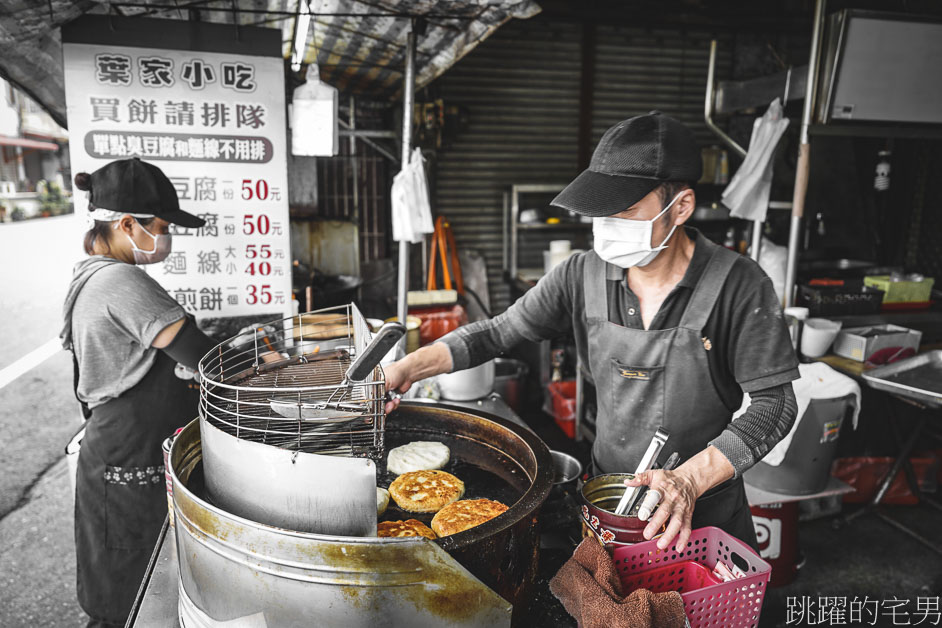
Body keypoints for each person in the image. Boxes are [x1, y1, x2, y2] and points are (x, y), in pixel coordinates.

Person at [384, 112, 799, 553]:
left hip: (702, 516)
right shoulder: (582, 273)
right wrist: (407, 367)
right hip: (607, 502)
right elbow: (497, 332)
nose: (607, 226)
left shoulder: (739, 284)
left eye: (625, 211)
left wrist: (688, 481)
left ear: (680, 207)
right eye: (602, 212)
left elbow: (776, 405)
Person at [60, 158, 217, 627]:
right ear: (128, 223)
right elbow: (201, 356)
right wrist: (266, 365)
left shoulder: (91, 273)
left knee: (130, 582)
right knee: (131, 590)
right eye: (162, 226)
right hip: (128, 453)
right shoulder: (119, 280)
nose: (165, 237)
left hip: (119, 448)